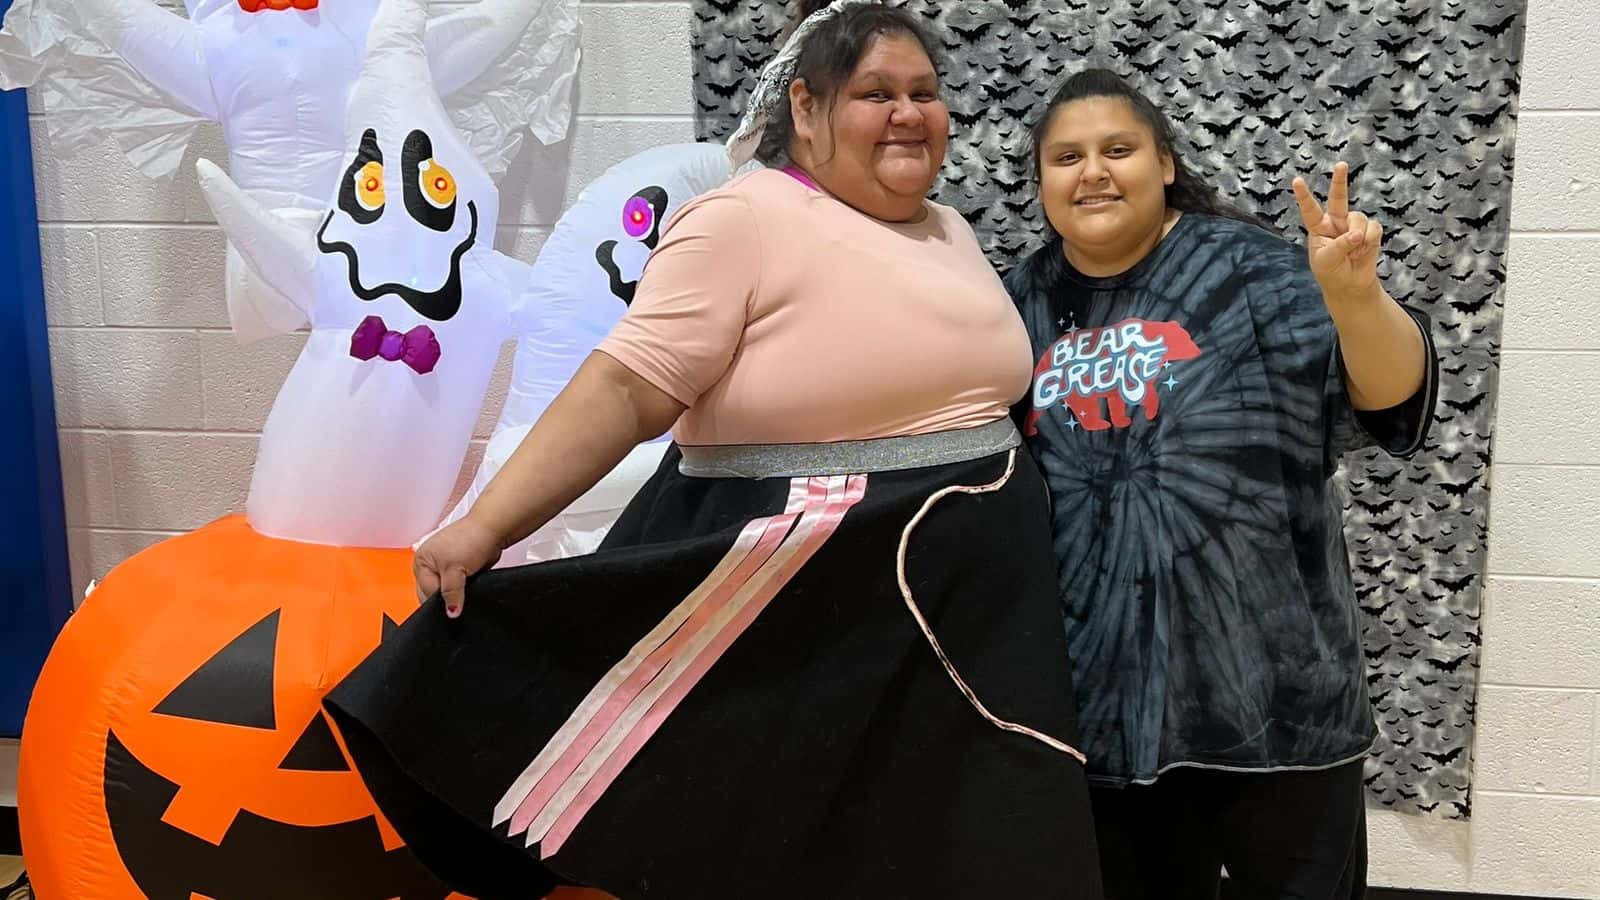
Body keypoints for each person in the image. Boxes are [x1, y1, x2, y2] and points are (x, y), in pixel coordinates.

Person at [324, 3, 1103, 898]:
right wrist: (485, 525)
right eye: (876, 92)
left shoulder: (950, 230)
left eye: (924, 93)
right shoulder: (740, 220)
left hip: (969, 621)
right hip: (818, 614)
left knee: (960, 854)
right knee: (810, 859)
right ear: (806, 109)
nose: (908, 113)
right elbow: (624, 387)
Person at [1005, 68, 1438, 899]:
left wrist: (1355, 298)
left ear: (1165, 163)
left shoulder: (1259, 270)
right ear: (1041, 183)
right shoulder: (1012, 306)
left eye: (1117, 149)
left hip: (1281, 708)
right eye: (1066, 157)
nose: (1092, 171)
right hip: (1099, 722)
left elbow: (1394, 402)